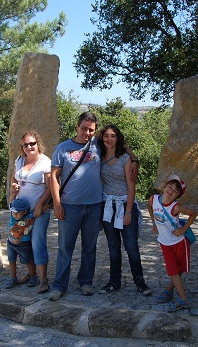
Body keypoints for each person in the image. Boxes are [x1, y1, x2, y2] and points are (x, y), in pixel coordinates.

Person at [48, 112, 137, 301]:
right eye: (84, 128)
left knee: (89, 247)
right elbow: (54, 177)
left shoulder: (98, 144)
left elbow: (120, 145)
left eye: (91, 130)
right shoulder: (63, 148)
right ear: (77, 127)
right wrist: (57, 204)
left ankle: (85, 282)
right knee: (65, 248)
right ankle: (59, 285)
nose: (87, 133)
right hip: (70, 206)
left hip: (94, 206)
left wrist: (134, 159)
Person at [97, 124, 151, 295]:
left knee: (131, 246)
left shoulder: (125, 159)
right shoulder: (99, 156)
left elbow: (131, 187)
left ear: (117, 138)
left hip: (125, 205)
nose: (109, 139)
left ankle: (139, 281)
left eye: (113, 136)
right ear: (102, 138)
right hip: (108, 206)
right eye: (106, 136)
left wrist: (128, 212)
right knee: (113, 246)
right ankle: (114, 281)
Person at [147, 175, 198, 312]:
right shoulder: (153, 199)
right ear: (165, 186)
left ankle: (171, 291)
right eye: (170, 186)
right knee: (172, 270)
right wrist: (153, 222)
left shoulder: (176, 207)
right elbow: (149, 206)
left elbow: (193, 214)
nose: (171, 190)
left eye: (175, 191)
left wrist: (183, 229)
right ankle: (183, 299)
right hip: (164, 243)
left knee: (178, 270)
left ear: (177, 196)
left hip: (179, 243)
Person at [10, 131, 52, 294]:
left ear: (38, 143)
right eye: (25, 144)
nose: (29, 147)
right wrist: (14, 186)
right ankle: (32, 274)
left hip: (38, 210)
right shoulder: (20, 160)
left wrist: (40, 205)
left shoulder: (45, 163)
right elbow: (14, 178)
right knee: (22, 241)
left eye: (32, 143)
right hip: (21, 211)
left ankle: (43, 280)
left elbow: (50, 187)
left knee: (37, 242)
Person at [5, 197, 37, 289]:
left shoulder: (29, 216)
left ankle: (33, 276)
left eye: (18, 212)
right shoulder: (12, 216)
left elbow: (38, 211)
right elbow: (10, 202)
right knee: (11, 260)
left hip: (23, 244)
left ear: (25, 211)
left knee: (28, 260)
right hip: (10, 243)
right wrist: (13, 194)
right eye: (13, 212)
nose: (15, 214)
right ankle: (13, 278)